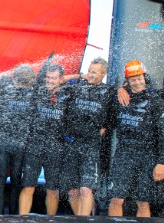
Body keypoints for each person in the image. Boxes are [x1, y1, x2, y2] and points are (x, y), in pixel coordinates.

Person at [118, 63, 164, 218]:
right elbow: (134, 90)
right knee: (157, 200)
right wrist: (120, 88)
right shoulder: (156, 96)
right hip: (159, 156)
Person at [107, 60, 164, 217]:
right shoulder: (119, 97)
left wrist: (161, 162)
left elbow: (163, 133)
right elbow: (108, 120)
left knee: (143, 201)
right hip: (123, 153)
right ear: (127, 81)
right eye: (133, 79)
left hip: (147, 155)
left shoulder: (154, 99)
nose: (137, 82)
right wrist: (118, 89)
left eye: (139, 78)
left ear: (144, 77)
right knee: (116, 199)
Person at [62, 57, 114, 216]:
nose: (90, 75)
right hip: (71, 142)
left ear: (104, 74)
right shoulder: (77, 85)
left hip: (91, 145)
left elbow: (114, 115)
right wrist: (79, 76)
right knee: (72, 191)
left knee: (86, 188)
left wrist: (106, 127)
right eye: (89, 71)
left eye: (94, 72)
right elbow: (60, 81)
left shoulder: (109, 91)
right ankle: (80, 219)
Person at [19, 64, 70, 216]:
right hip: (34, 145)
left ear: (61, 79)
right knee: (28, 186)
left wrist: (76, 76)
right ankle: (22, 219)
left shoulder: (67, 95)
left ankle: (51, 220)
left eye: (54, 78)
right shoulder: (37, 91)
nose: (49, 81)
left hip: (55, 146)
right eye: (48, 77)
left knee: (53, 189)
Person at [0, 64, 38, 215]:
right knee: (5, 180)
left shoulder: (32, 93)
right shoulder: (6, 87)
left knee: (13, 181)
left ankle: (10, 215)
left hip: (17, 142)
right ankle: (1, 216)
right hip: (7, 142)